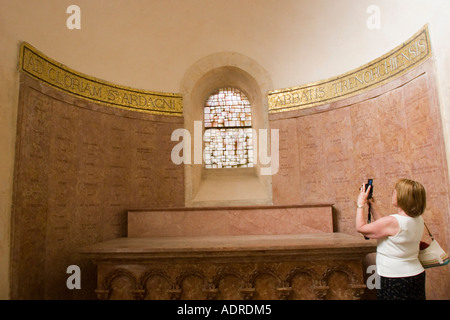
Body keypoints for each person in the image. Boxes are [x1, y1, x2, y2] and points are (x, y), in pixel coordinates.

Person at [356, 178, 426, 300]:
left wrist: (360, 204)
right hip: (416, 275)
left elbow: (361, 227)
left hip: (394, 278)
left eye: (395, 192)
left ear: (403, 197)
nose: (392, 194)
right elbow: (386, 227)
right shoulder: (418, 219)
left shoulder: (393, 221)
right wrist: (372, 207)